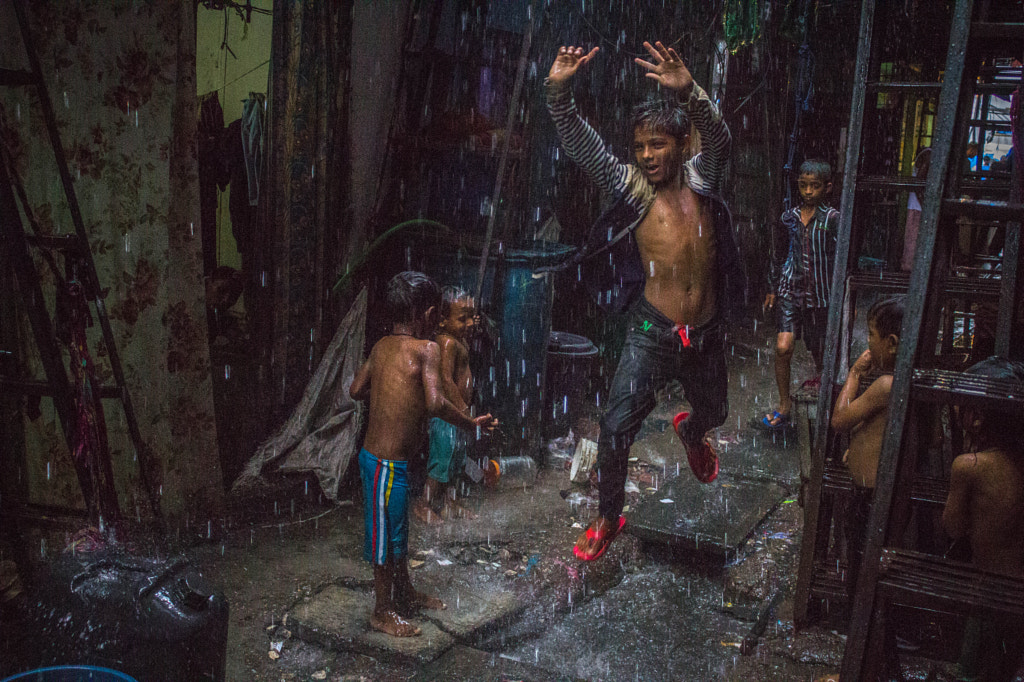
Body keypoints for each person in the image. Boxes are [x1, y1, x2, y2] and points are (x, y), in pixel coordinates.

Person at [545, 41, 745, 561]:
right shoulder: (633, 188)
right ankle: (608, 515)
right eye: (640, 147)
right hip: (652, 331)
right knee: (614, 429)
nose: (648, 155)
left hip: (705, 334)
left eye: (658, 144)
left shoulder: (702, 179)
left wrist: (691, 91)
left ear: (682, 144)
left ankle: (692, 432)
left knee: (716, 410)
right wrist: (559, 93)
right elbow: (581, 144)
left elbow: (721, 138)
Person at [349, 271, 497, 637]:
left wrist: (391, 394)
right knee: (384, 539)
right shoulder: (427, 349)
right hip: (385, 465)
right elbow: (435, 402)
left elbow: (355, 390)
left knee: (396, 531)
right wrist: (469, 423)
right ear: (429, 314)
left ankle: (404, 593)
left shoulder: (381, 346)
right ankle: (382, 611)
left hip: (380, 461)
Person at [942, 357, 1024, 682]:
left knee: (982, 663)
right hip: (1016, 583)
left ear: (977, 417)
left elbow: (952, 527)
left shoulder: (970, 466)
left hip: (990, 586)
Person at [830, 297, 904, 596]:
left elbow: (839, 420)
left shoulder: (886, 386)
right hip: (884, 495)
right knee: (874, 561)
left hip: (871, 497)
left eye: (871, 334)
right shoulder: (909, 380)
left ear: (892, 343)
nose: (868, 342)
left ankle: (859, 616)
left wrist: (855, 374)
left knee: (863, 564)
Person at [763, 159, 839, 429]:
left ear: (827, 187)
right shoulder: (789, 217)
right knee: (783, 347)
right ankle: (785, 404)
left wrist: (845, 297)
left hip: (820, 296)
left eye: (814, 186)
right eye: (803, 185)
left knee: (820, 351)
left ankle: (827, 401)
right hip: (790, 290)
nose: (808, 191)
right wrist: (772, 288)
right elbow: (778, 253)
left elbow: (842, 260)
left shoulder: (832, 219)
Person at [415, 286, 478, 523]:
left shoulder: (458, 339)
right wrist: (463, 409)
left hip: (457, 417)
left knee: (456, 461)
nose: (469, 324)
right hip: (447, 415)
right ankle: (424, 504)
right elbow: (446, 380)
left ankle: (449, 502)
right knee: (442, 461)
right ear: (441, 320)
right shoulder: (447, 343)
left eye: (472, 317)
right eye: (463, 319)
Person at [900, 147, 931, 272]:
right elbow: (918, 185)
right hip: (917, 207)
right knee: (913, 243)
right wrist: (926, 206)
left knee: (912, 242)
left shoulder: (926, 154)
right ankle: (909, 271)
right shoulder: (929, 156)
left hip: (916, 206)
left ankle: (909, 269)